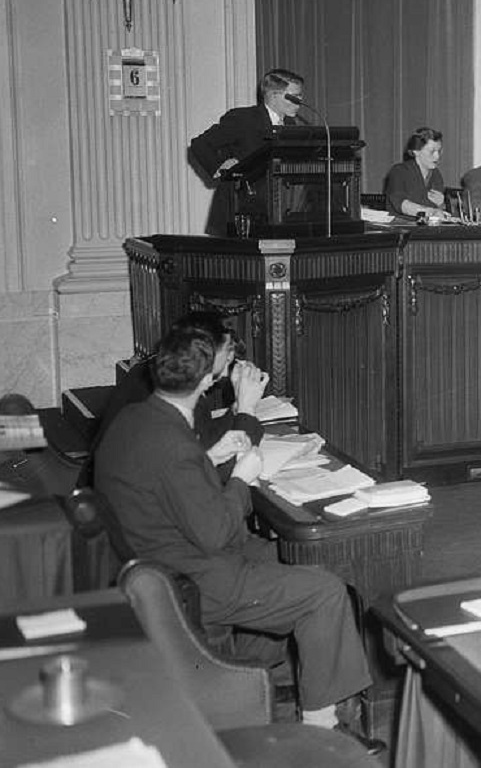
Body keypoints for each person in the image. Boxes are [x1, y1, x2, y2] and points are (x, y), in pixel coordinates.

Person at [96, 327, 373, 736]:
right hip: (195, 575)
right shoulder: (173, 444)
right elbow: (215, 533)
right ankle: (321, 726)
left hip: (159, 560)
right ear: (207, 379)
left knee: (304, 558)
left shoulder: (136, 418)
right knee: (325, 592)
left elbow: (161, 482)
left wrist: (208, 458)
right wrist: (242, 478)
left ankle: (252, 676)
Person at [90, 311, 268, 482]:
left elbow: (203, 437)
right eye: (228, 352)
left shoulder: (168, 372)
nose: (231, 360)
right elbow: (219, 475)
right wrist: (247, 409)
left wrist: (238, 406)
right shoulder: (173, 389)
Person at [190, 69, 306, 237]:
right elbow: (200, 144)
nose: (300, 102)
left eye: (301, 96)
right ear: (274, 96)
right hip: (239, 211)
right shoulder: (244, 118)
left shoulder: (291, 125)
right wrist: (219, 167)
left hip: (275, 213)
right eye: (295, 97)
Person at [386, 127, 451, 220]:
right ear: (416, 151)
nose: (437, 156)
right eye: (432, 151)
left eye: (439, 151)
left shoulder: (436, 174)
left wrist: (441, 205)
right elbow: (400, 204)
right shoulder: (399, 171)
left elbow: (438, 210)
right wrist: (431, 212)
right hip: (402, 225)